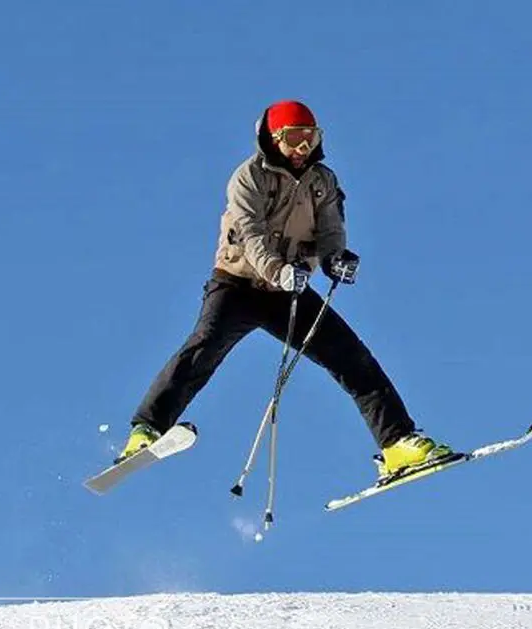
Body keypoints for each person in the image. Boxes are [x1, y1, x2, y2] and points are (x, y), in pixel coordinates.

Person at [118, 99, 453, 479]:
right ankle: (145, 431)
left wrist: (335, 259)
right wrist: (278, 271)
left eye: (310, 138)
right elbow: (251, 235)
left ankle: (398, 444)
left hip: (287, 293)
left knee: (351, 357)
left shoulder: (322, 181)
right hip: (238, 284)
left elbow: (330, 231)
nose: (302, 148)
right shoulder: (248, 177)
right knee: (204, 347)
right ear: (274, 139)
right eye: (295, 138)